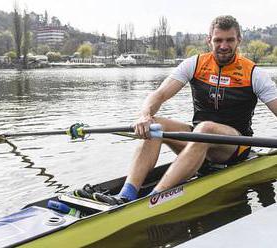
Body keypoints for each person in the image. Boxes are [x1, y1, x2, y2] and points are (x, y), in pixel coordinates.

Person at [98, 15, 277, 204]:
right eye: (218, 40)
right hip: (197, 139)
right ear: (209, 40)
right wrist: (144, 116)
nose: (224, 46)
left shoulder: (254, 74)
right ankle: (126, 195)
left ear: (239, 40)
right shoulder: (195, 64)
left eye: (230, 40)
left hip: (233, 145)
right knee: (154, 124)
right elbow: (159, 95)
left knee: (205, 129)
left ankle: (153, 199)